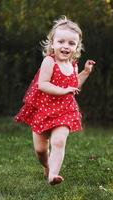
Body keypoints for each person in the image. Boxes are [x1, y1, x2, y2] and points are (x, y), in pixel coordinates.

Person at [14, 16, 95, 185]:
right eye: (61, 41)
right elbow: (42, 85)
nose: (66, 46)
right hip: (43, 109)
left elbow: (73, 86)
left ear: (77, 46)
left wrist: (85, 72)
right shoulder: (49, 62)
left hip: (65, 110)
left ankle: (53, 176)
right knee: (41, 150)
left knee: (58, 141)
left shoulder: (73, 64)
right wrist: (64, 90)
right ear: (52, 43)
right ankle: (47, 166)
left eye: (71, 43)